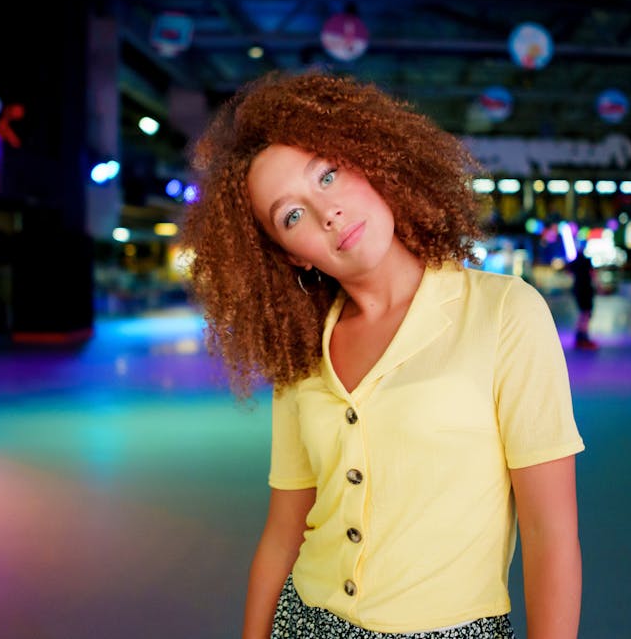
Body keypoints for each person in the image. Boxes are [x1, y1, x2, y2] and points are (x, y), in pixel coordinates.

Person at [179, 71, 584, 639]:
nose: (327, 214)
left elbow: (550, 531)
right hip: (308, 624)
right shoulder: (301, 356)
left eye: (328, 175)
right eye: (290, 216)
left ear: (369, 162)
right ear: (292, 257)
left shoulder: (504, 314)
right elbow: (281, 535)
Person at [567, 249, 598, 351]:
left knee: (583, 313)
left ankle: (580, 337)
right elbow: (593, 274)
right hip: (586, 290)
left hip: (578, 290)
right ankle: (584, 338)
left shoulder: (575, 263)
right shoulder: (587, 262)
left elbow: (568, 272)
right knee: (586, 313)